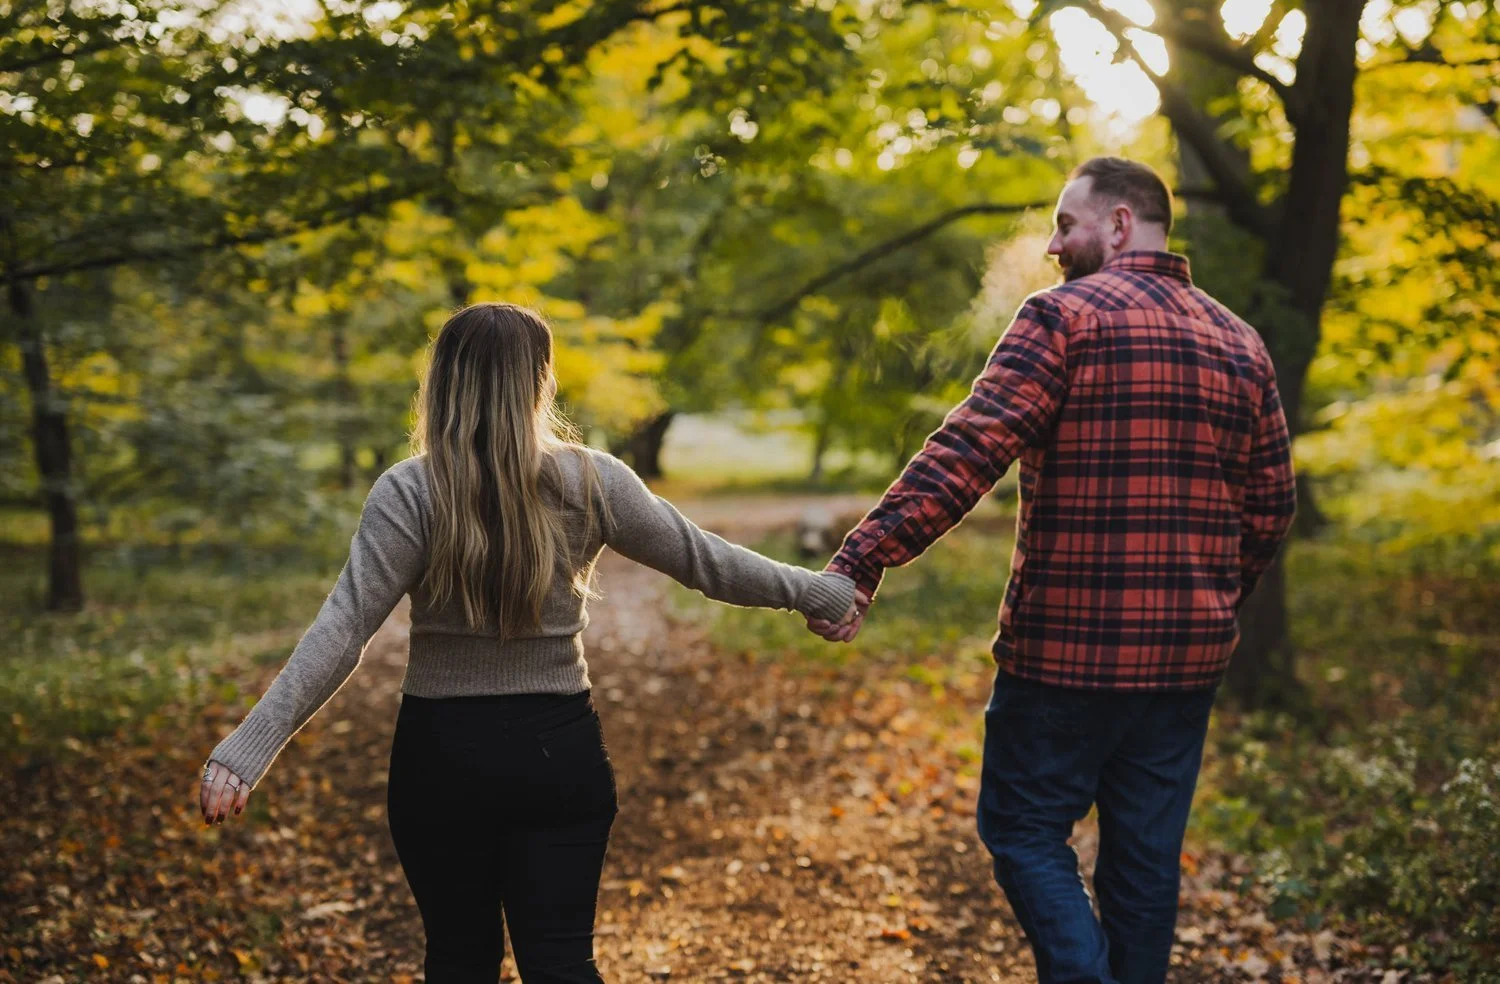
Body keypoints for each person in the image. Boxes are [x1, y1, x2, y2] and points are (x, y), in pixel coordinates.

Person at [198, 303, 860, 983]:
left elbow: (342, 630)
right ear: (539, 381)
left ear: (443, 382)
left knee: (459, 961)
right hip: (557, 754)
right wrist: (820, 591)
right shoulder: (592, 480)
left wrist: (246, 751)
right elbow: (708, 562)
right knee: (562, 963)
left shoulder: (409, 491)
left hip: (441, 759)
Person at [808, 157, 1298, 984]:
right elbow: (1272, 507)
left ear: (1118, 224)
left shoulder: (1063, 318)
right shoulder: (1240, 342)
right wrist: (1210, 601)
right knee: (1144, 868)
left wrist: (862, 560)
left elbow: (969, 451)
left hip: (1065, 657)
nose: (1050, 244)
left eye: (1066, 225)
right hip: (1183, 663)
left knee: (1024, 830)